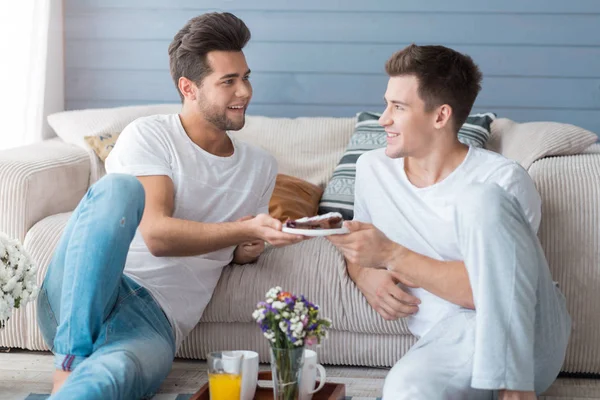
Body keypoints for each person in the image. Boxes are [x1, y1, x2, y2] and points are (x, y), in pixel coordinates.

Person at [36, 12, 304, 399]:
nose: (244, 91)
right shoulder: (150, 135)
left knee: (110, 377)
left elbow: (237, 250)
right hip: (91, 289)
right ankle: (71, 356)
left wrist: (250, 246)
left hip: (154, 322)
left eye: (245, 77)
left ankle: (77, 380)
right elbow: (158, 235)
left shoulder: (261, 166)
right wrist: (244, 230)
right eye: (228, 81)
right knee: (119, 189)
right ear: (189, 87)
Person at [327, 44, 571, 400]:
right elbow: (363, 247)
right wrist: (366, 274)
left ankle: (515, 391)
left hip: (529, 335)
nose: (383, 119)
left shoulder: (503, 178)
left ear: (440, 116)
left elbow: (492, 292)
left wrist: (393, 255)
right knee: (405, 390)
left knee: (479, 197)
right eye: (386, 104)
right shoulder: (372, 168)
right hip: (450, 340)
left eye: (398, 107)